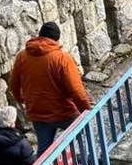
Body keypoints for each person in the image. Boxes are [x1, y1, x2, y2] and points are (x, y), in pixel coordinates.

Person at [9, 22, 93, 155]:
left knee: (44, 152)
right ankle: (87, 163)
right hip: (64, 112)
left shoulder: (22, 56)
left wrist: (23, 100)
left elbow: (13, 84)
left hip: (37, 112)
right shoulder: (62, 58)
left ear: (39, 35)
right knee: (83, 140)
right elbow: (76, 91)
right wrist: (86, 110)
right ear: (56, 39)